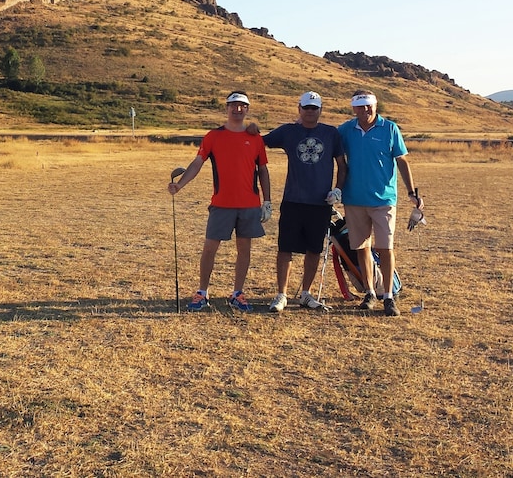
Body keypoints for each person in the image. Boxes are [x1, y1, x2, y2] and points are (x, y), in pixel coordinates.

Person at [167, 91, 272, 311]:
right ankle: (202, 293)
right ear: (226, 108)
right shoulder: (213, 136)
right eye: (233, 105)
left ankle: (237, 293)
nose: (237, 109)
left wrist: (267, 201)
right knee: (210, 248)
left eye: (242, 106)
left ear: (247, 109)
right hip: (221, 203)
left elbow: (262, 170)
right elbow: (197, 163)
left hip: (249, 204)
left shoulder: (255, 138)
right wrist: (180, 185)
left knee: (244, 249)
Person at [259, 91, 347, 312]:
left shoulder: (331, 133)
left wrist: (338, 189)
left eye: (314, 108)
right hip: (293, 200)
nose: (310, 112)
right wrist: (250, 130)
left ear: (320, 110)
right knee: (285, 248)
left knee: (314, 249)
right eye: (306, 108)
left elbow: (342, 166)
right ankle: (282, 295)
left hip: (320, 203)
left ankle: (306, 294)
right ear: (299, 109)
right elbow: (260, 143)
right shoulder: (288, 131)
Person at [337, 89, 421, 317]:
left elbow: (402, 161)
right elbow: (331, 150)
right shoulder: (345, 130)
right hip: (354, 199)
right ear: (353, 108)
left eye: (368, 106)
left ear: (375, 106)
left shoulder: (390, 128)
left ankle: (388, 297)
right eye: (360, 106)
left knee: (385, 248)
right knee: (362, 247)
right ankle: (370, 293)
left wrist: (411, 192)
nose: (365, 110)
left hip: (384, 199)